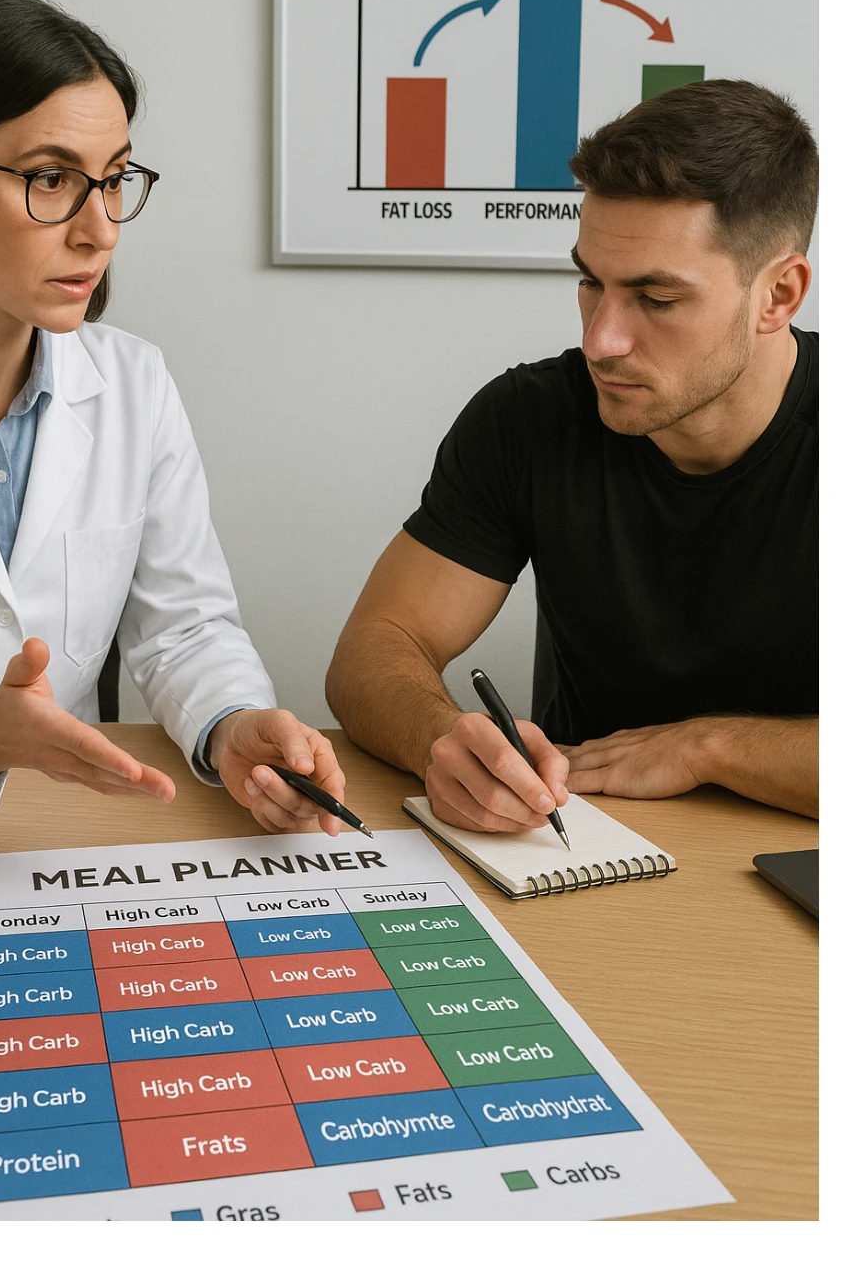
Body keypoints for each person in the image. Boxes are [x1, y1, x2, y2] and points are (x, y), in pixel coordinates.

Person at [0, 0, 346, 853]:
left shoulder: (133, 384)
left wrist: (232, 724)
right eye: (51, 179)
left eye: (115, 180)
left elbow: (182, 628)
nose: (101, 230)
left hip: (62, 848)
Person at [326, 79, 817, 830]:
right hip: (576, 839)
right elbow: (378, 645)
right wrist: (443, 741)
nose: (601, 340)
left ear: (778, 295)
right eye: (591, 282)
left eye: (656, 299)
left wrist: (708, 748)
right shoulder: (528, 417)